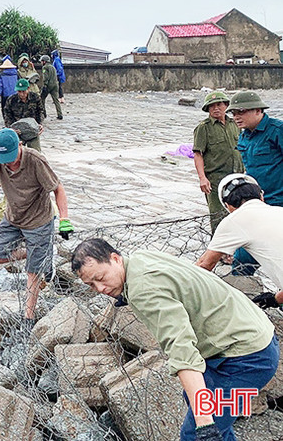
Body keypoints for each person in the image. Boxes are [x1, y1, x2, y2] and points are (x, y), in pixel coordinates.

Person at [71, 238, 277, 441]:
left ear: (115, 258)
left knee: (197, 434)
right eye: (91, 285)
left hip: (248, 357)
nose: (100, 288)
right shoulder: (138, 260)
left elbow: (181, 348)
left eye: (101, 277)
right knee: (201, 407)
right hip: (247, 335)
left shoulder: (143, 289)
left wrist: (204, 422)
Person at [0, 129, 73, 325]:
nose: (8, 164)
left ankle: (29, 316)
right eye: (4, 160)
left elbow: (58, 188)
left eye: (11, 159)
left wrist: (64, 219)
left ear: (20, 145)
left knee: (32, 271)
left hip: (38, 220)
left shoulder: (35, 160)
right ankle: (43, 252)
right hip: (13, 216)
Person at [196, 175, 283, 308]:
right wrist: (275, 299)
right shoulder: (279, 211)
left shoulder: (234, 220)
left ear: (228, 206)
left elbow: (203, 265)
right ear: (261, 196)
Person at [193, 91, 244, 232]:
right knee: (218, 216)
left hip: (237, 176)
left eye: (219, 105)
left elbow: (243, 147)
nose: (216, 108)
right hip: (215, 179)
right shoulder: (203, 127)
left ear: (226, 106)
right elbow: (198, 154)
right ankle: (218, 244)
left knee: (240, 213)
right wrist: (202, 178)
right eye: (212, 106)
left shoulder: (234, 124)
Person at [229, 91, 283, 207]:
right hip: (257, 200)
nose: (236, 117)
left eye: (241, 112)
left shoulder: (277, 130)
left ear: (258, 111)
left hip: (279, 200)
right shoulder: (244, 136)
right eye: (233, 113)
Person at [4, 78, 45, 151]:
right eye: (19, 91)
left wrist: (40, 124)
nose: (21, 94)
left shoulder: (35, 98)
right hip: (18, 131)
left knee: (35, 152)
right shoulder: (11, 100)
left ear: (28, 89)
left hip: (32, 130)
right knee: (16, 152)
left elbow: (40, 111)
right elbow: (7, 115)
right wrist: (11, 128)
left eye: (23, 91)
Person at [39, 55, 63, 120]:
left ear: (44, 61)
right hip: (55, 85)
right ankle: (60, 114)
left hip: (48, 85)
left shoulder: (45, 67)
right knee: (56, 100)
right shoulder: (52, 67)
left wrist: (45, 85)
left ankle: (44, 113)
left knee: (42, 99)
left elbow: (45, 77)